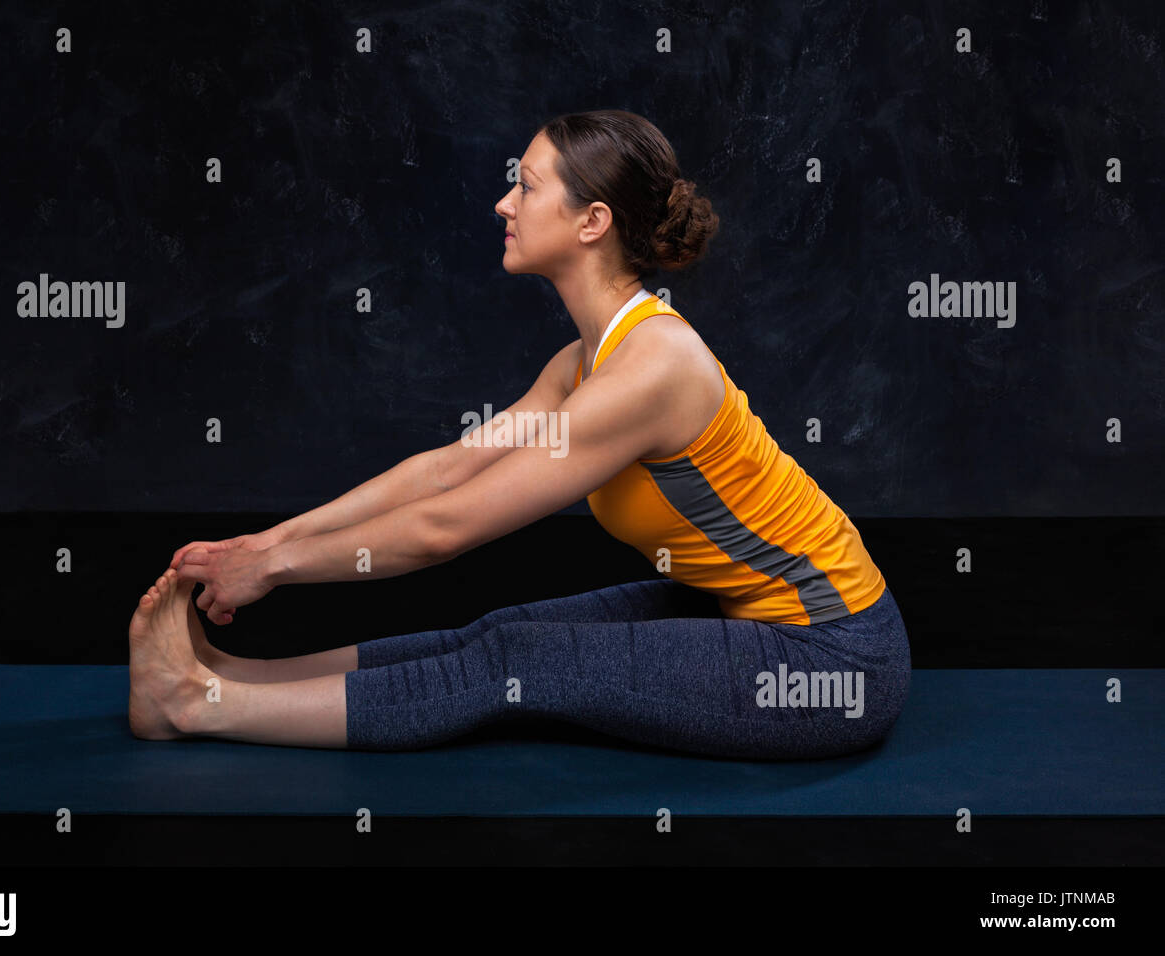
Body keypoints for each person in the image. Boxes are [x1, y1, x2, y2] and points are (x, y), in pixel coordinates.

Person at [128, 109, 910, 757]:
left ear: (592, 222)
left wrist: (277, 569)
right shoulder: (586, 360)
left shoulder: (655, 369)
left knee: (517, 662)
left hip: (832, 656)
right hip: (738, 610)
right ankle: (229, 674)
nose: (504, 204)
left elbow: (445, 527)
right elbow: (443, 474)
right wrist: (261, 547)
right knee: (504, 627)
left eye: (527, 186)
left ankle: (200, 707)